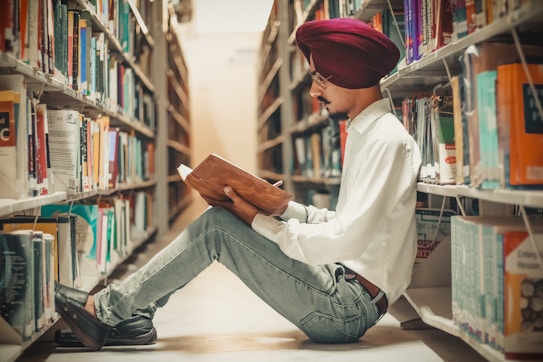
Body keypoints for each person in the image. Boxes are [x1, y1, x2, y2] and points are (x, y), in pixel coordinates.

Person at [54, 17, 422, 351]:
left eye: (319, 78)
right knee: (224, 220)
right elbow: (343, 223)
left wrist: (256, 220)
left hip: (346, 309)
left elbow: (345, 240)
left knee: (218, 228)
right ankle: (127, 314)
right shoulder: (364, 132)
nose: (313, 91)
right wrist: (275, 205)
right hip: (339, 281)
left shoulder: (387, 141)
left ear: (348, 75)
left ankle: (106, 312)